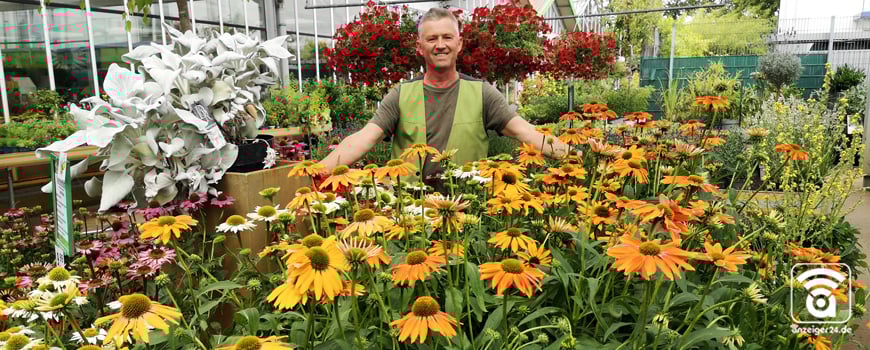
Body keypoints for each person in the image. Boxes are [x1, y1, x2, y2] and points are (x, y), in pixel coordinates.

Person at [318, 7, 571, 190]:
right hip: (410, 213)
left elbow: (526, 133)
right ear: (420, 47)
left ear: (459, 43)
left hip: (468, 211)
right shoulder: (400, 95)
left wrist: (574, 156)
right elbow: (365, 138)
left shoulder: (483, 93)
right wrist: (318, 170)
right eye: (432, 38)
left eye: (447, 37)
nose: (440, 45)